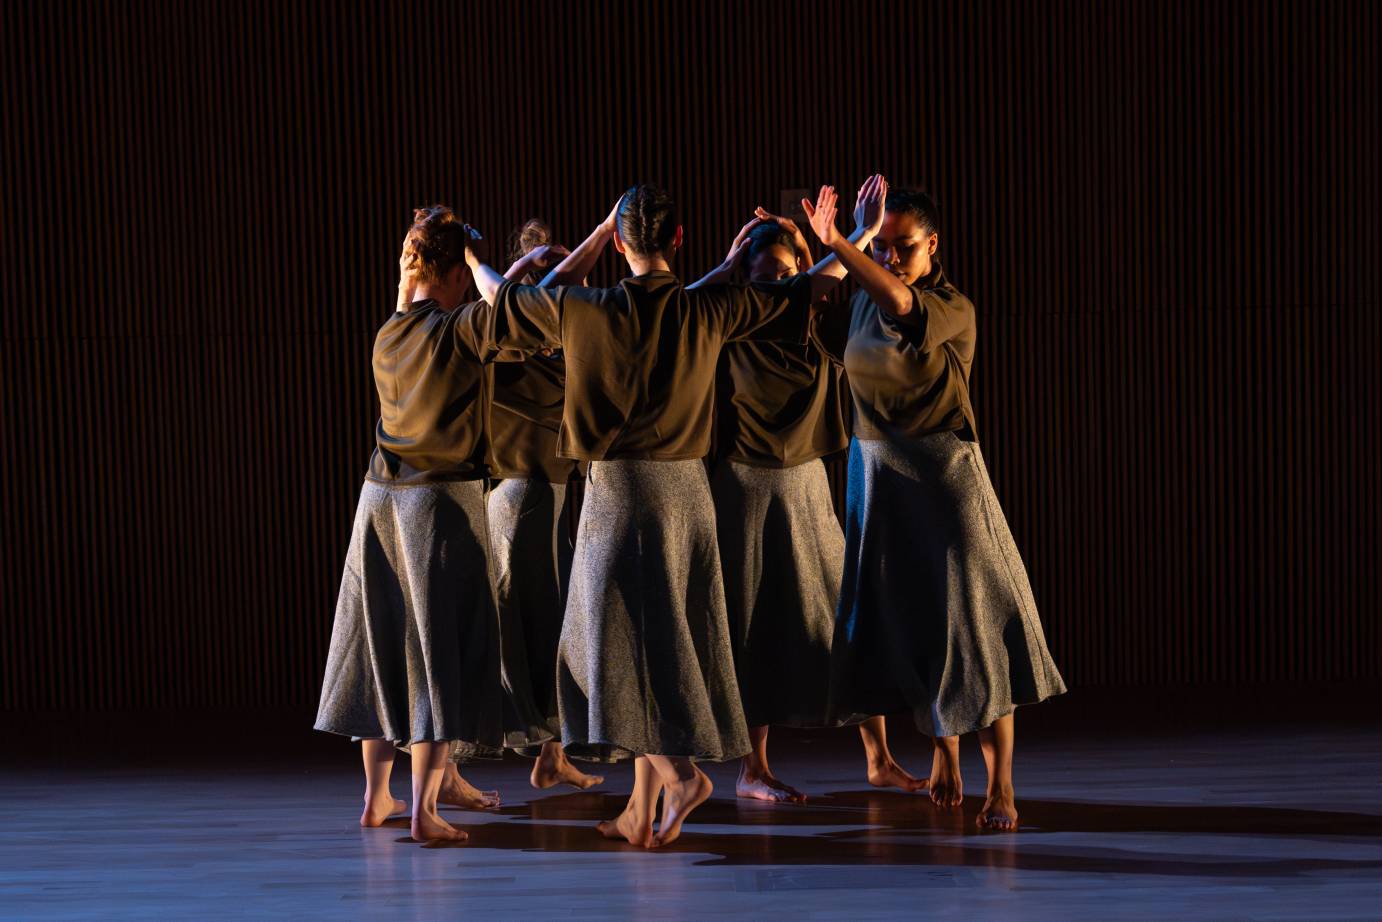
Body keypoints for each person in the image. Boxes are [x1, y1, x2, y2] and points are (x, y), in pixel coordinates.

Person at [465, 185, 815, 847]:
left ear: (618, 242)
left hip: (620, 494)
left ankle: (681, 778)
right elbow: (797, 292)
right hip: (688, 497)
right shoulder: (705, 307)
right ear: (677, 240)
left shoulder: (585, 309)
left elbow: (499, 298)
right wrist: (846, 241)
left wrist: (472, 257)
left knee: (605, 654)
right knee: (660, 643)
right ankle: (638, 808)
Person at [803, 181, 1066, 830]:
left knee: (973, 632)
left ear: (934, 244)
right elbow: (808, 295)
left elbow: (901, 301)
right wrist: (850, 242)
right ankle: (944, 758)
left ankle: (1000, 786)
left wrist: (842, 240)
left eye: (904, 246)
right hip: (879, 483)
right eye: (884, 247)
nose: (892, 258)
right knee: (914, 634)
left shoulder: (951, 307)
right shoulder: (863, 301)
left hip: (943, 481)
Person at [314, 205, 555, 842]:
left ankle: (377, 799)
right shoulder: (460, 330)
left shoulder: (389, 333)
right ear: (450, 275)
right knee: (435, 655)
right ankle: (424, 812)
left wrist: (422, 242)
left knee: (383, 648)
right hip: (438, 509)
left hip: (377, 504)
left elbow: (410, 289)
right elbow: (514, 305)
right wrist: (479, 257)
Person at [688, 177, 887, 802]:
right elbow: (669, 311)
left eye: (787, 271)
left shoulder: (820, 321)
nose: (777, 283)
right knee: (751, 627)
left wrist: (837, 241)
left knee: (839, 615)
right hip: (744, 485)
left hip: (803, 482)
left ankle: (879, 758)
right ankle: (753, 769)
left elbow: (823, 280)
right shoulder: (731, 320)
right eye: (762, 273)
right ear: (744, 277)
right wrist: (730, 266)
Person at [483, 218, 603, 791]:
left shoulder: (564, 350)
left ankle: (551, 752)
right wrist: (523, 273)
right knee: (519, 626)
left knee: (551, 625)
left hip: (551, 496)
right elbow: (498, 308)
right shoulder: (504, 346)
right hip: (518, 496)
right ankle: (521, 743)